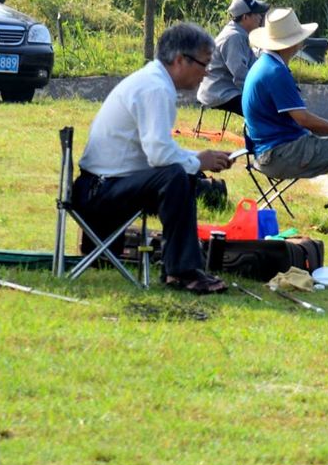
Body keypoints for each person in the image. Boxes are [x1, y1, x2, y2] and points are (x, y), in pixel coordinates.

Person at [74, 22, 234, 294]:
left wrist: (198, 159)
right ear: (180, 60)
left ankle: (181, 265)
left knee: (182, 173)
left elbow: (157, 151)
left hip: (99, 186)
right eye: (204, 64)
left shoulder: (154, 81)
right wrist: (198, 162)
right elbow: (160, 156)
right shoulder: (156, 88)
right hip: (98, 192)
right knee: (176, 176)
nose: (206, 73)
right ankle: (182, 271)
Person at [241, 7, 328, 224]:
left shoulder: (263, 64)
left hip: (266, 151)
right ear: (294, 44)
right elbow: (304, 120)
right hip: (279, 155)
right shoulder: (276, 72)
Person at [197, 0, 267, 119]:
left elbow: (252, 64)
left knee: (265, 106)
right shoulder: (234, 37)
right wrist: (261, 93)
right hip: (219, 93)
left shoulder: (239, 33)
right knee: (262, 110)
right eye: (256, 13)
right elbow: (240, 75)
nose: (260, 17)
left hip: (226, 89)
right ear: (245, 17)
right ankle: (258, 137)